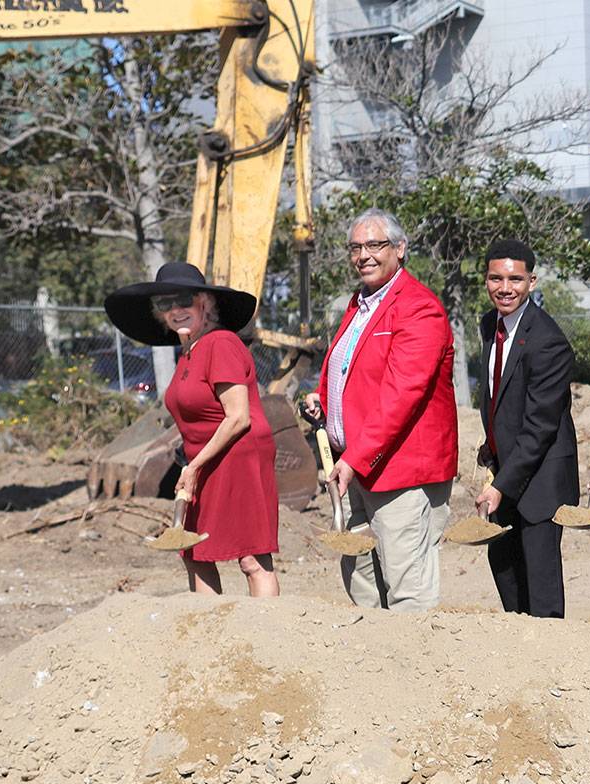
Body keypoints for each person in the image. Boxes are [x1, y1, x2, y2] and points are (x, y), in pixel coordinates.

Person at [302, 208, 458, 613]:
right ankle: (374, 667)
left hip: (400, 471)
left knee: (407, 586)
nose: (364, 255)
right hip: (358, 466)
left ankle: (413, 671)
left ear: (400, 249)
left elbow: (401, 395)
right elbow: (349, 367)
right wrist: (325, 400)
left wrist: (354, 458)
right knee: (362, 580)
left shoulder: (419, 308)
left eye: (375, 245)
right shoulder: (361, 304)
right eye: (356, 247)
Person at [105, 262, 280, 597]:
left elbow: (238, 417)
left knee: (251, 558)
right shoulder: (188, 353)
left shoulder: (221, 343)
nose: (175, 310)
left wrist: (194, 466)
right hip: (203, 461)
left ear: (205, 303)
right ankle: (208, 633)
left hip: (239, 457)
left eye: (183, 300)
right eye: (165, 304)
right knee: (195, 552)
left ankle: (265, 638)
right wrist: (192, 462)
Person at [474, 239, 577, 619]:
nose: (505, 288)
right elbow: (496, 395)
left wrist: (500, 486)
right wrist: (490, 445)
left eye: (515, 279)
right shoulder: (490, 325)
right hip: (507, 470)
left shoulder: (548, 342)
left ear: (531, 282)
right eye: (496, 278)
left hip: (541, 480)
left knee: (541, 585)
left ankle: (551, 663)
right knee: (504, 566)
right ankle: (521, 654)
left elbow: (539, 427)